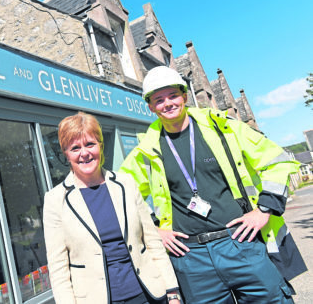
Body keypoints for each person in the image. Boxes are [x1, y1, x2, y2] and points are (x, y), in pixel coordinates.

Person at [120, 66, 307, 303]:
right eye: (159, 99)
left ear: (184, 96)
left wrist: (264, 210)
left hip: (241, 243)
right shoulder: (146, 149)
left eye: (173, 96)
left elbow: (277, 161)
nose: (167, 103)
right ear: (150, 106)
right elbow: (122, 192)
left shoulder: (222, 127)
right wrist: (156, 230)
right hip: (190, 257)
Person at [43, 112, 181, 304]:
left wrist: (173, 292)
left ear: (101, 145)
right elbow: (59, 269)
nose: (84, 153)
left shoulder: (126, 183)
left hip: (148, 294)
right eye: (75, 148)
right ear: (66, 154)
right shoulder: (55, 200)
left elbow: (153, 242)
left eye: (90, 144)